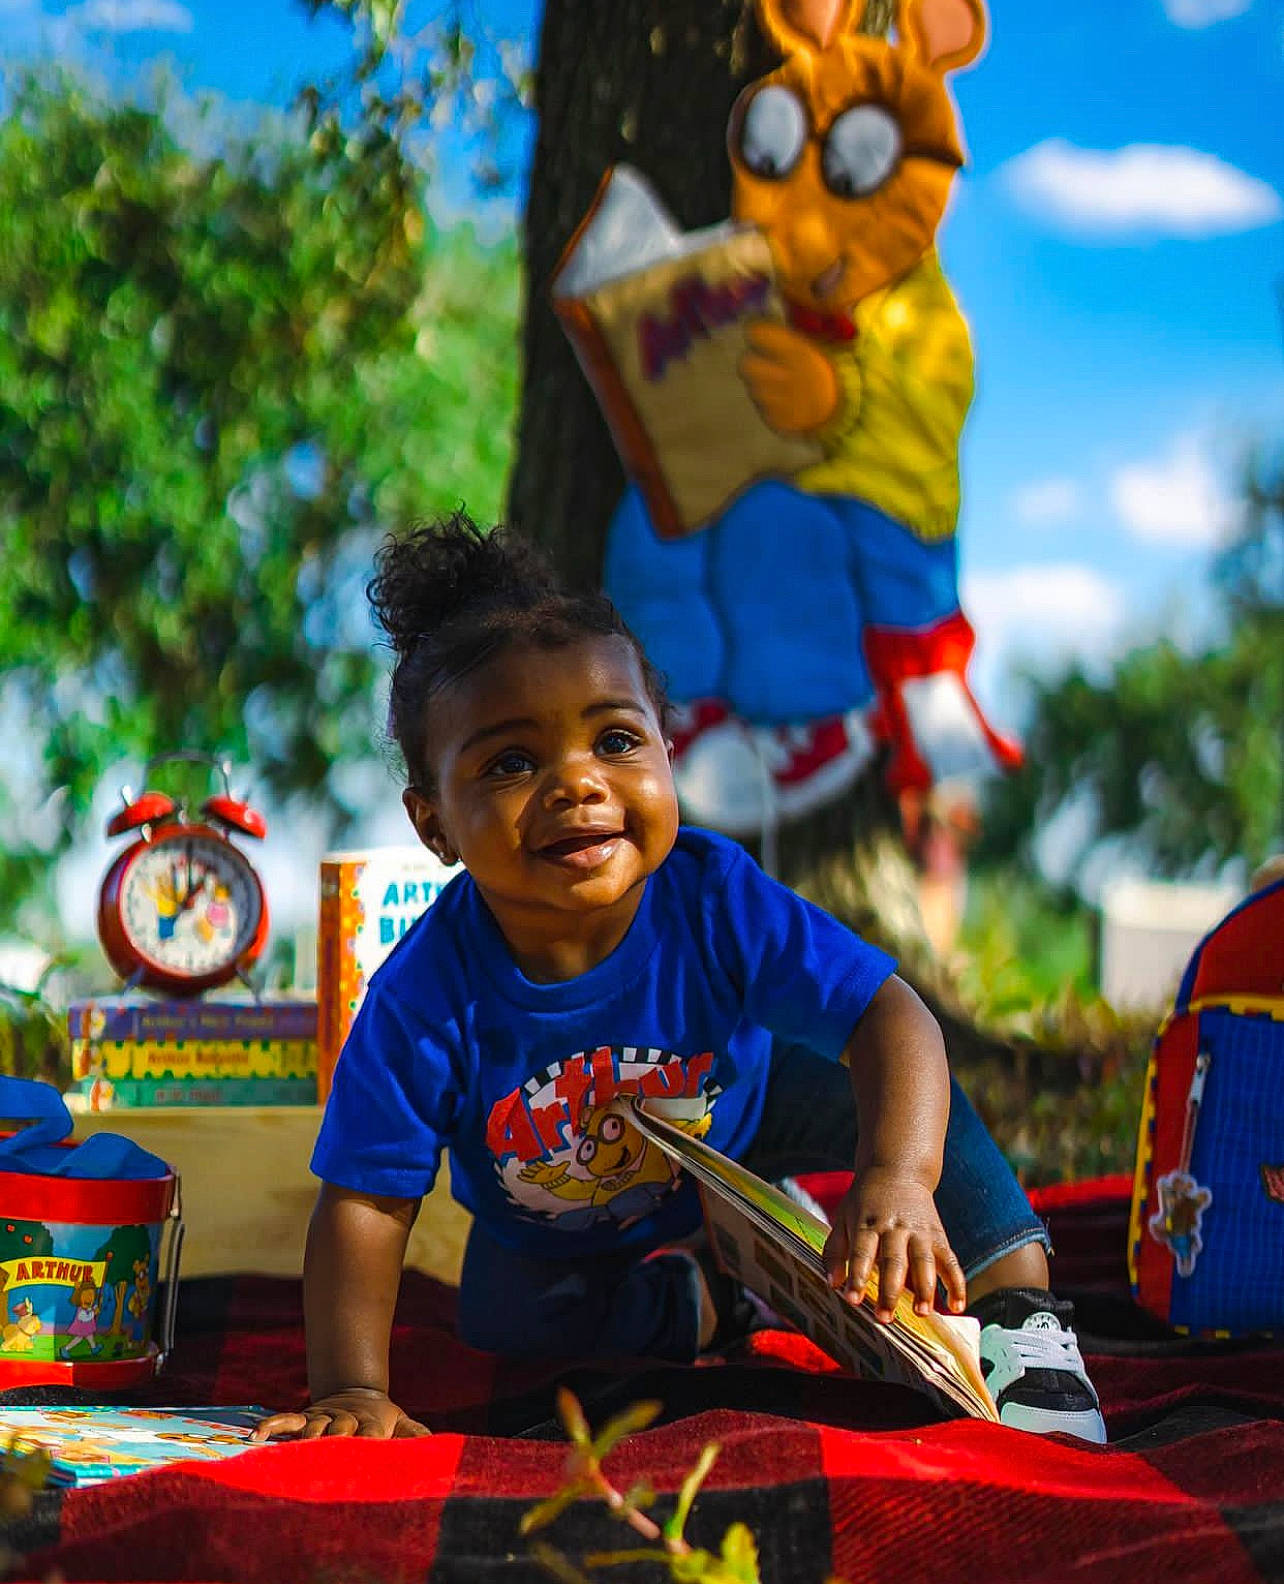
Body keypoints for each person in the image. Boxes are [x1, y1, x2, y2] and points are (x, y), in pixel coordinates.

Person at [255, 512, 1105, 1446]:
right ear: (435, 825)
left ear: (668, 749)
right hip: (554, 1224)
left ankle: (1021, 1314)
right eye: (512, 762)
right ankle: (711, 1296)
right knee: (501, 1328)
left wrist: (899, 1176)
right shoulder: (420, 1001)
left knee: (909, 1082)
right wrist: (352, 1386)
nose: (578, 784)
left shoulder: (713, 896)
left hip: (745, 1118)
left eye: (616, 741)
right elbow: (366, 1201)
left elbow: (886, 1015)